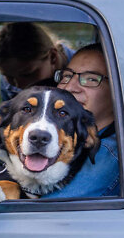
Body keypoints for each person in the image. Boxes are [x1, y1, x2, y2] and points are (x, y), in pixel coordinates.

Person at [44, 43, 119, 198]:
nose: (70, 87)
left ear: (117, 91)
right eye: (67, 76)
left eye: (91, 79)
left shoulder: (108, 155)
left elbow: (46, 213)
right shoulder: (62, 138)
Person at [0, 22, 75, 101]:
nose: (19, 86)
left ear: (53, 57)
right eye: (9, 77)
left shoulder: (83, 70)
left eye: (27, 74)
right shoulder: (9, 82)